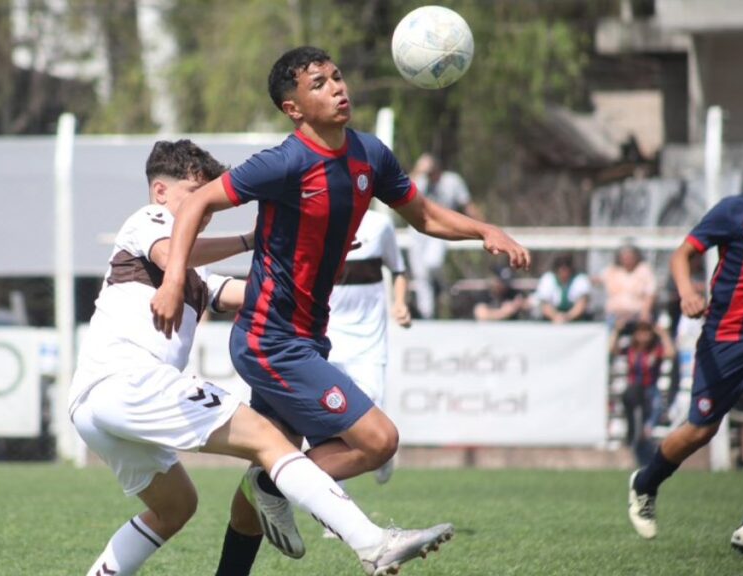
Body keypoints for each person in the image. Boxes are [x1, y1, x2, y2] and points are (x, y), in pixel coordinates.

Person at [149, 46, 529, 575]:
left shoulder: (369, 155)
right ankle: (271, 481)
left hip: (306, 338)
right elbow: (195, 203)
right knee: (377, 441)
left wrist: (483, 229)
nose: (338, 88)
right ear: (294, 108)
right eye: (319, 84)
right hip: (268, 338)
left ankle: (262, 495)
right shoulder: (283, 162)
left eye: (338, 77)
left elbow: (423, 216)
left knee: (254, 499)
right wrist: (173, 281)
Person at [70, 140, 447, 576]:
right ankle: (373, 543)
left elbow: (240, 295)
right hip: (128, 380)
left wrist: (308, 267)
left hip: (95, 404)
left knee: (176, 508)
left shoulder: (193, 271)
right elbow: (177, 252)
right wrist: (252, 238)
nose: (203, 211)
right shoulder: (149, 221)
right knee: (271, 440)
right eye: (195, 197)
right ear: (160, 192)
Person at [627, 130, 743, 556]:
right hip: (724, 338)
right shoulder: (734, 213)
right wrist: (687, 291)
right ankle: (645, 484)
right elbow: (683, 254)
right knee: (701, 430)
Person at [327, 207, 412, 489]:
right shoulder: (318, 219)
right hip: (327, 335)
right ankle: (338, 508)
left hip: (369, 339)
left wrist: (399, 303)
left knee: (371, 411)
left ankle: (383, 452)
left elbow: (398, 270)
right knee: (333, 419)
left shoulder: (380, 224)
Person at [405, 152, 483, 319]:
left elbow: (466, 204)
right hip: (417, 231)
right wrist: (418, 170)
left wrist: (485, 228)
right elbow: (401, 189)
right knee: (420, 275)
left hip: (440, 229)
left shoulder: (452, 181)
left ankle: (442, 287)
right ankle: (427, 314)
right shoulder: (420, 180)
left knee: (433, 263)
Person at [610, 319, 675, 466]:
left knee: (652, 418)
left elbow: (670, 353)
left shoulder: (655, 349)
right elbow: (612, 350)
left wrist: (663, 334)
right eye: (640, 333)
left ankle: (647, 444)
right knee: (630, 400)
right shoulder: (631, 349)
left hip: (650, 390)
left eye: (646, 332)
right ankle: (635, 436)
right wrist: (616, 331)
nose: (643, 336)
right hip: (634, 392)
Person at [598, 243, 657, 327]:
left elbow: (651, 293)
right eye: (624, 257)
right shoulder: (613, 270)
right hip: (615, 316)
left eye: (630, 257)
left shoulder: (644, 270)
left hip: (637, 316)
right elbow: (598, 279)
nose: (627, 260)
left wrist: (645, 313)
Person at [534, 254, 592, 323]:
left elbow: (582, 303)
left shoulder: (580, 279)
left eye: (566, 268)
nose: (563, 271)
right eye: (561, 268)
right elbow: (544, 304)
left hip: (577, 320)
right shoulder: (548, 279)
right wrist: (555, 317)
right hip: (552, 320)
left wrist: (568, 317)